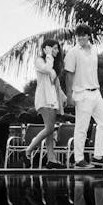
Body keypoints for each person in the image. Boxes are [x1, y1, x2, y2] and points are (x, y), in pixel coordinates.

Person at [64, 24, 103, 168]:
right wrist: (69, 96)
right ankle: (79, 160)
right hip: (81, 93)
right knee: (82, 128)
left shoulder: (94, 50)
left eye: (83, 35)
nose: (80, 38)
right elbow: (69, 74)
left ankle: (98, 156)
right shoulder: (73, 52)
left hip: (96, 92)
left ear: (88, 36)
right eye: (78, 35)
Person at [25, 39, 67, 169]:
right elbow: (47, 69)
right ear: (45, 49)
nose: (55, 51)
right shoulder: (40, 61)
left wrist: (63, 96)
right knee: (49, 128)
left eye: (56, 49)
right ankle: (28, 150)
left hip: (53, 100)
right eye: (52, 48)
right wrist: (49, 55)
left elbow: (55, 85)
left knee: (49, 131)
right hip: (44, 100)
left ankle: (51, 159)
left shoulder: (53, 64)